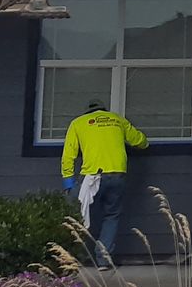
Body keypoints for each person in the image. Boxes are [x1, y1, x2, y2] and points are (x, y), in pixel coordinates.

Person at [60, 100, 147, 264]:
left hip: (91, 177)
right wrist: (146, 142)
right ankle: (104, 260)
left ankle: (71, 258)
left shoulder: (78, 123)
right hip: (117, 175)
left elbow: (68, 155)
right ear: (103, 110)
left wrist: (68, 182)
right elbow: (138, 141)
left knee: (78, 214)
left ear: (86, 111)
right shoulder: (117, 119)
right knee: (111, 216)